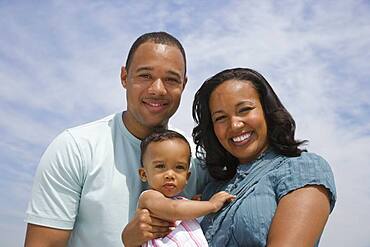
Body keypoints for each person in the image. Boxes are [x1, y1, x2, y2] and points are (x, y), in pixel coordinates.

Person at [24, 31, 209, 247]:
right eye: (145, 75)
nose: (157, 89)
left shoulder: (195, 160)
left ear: (183, 85)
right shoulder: (75, 148)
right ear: (124, 77)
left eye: (171, 79)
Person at [192, 68, 337, 246]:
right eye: (221, 118)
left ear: (267, 111)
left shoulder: (304, 169)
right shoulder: (211, 188)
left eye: (244, 109)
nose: (235, 125)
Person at [137, 130, 235, 247]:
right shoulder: (149, 197)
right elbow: (174, 209)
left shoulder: (181, 202)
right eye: (160, 166)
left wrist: (194, 205)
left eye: (179, 167)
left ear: (187, 177)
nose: (170, 174)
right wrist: (211, 205)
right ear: (144, 174)